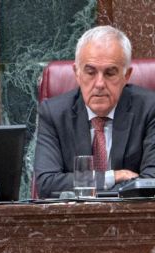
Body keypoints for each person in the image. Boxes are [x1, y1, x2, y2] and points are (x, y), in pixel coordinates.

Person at [34, 26, 155, 198]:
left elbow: (150, 182)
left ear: (126, 75)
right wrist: (111, 177)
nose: (99, 84)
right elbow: (47, 184)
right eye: (90, 72)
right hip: (72, 215)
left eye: (110, 73)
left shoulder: (149, 109)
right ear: (77, 73)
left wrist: (83, 186)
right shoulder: (54, 114)